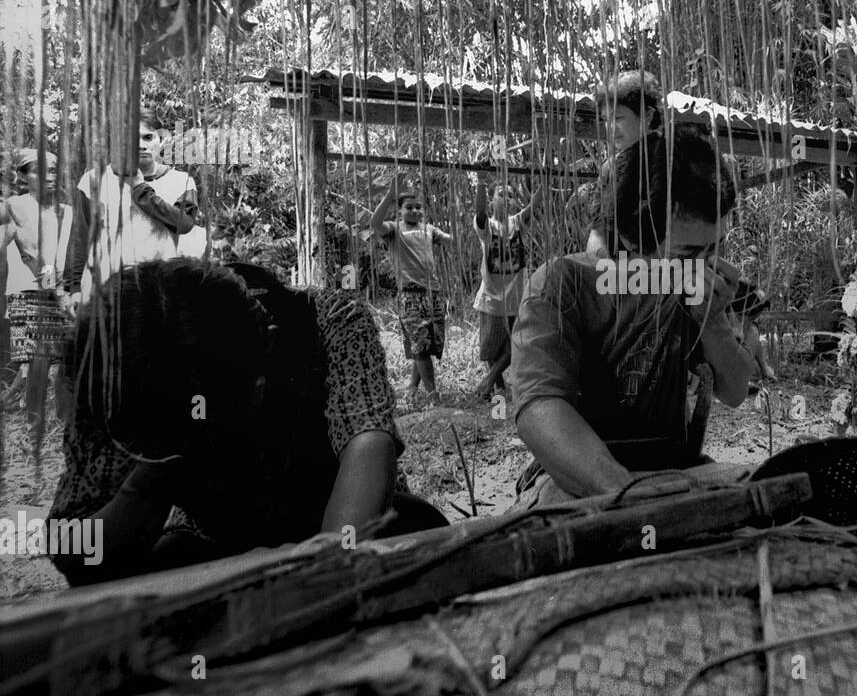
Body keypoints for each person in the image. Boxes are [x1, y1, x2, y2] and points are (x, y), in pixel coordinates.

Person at [46, 258, 449, 585]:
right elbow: (74, 551)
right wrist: (154, 475)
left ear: (267, 352)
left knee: (418, 530)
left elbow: (367, 447)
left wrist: (304, 572)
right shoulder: (112, 368)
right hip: (215, 541)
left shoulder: (330, 321)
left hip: (336, 516)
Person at [510, 129, 756, 508]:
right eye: (687, 252)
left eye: (714, 248)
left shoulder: (697, 290)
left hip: (676, 472)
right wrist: (624, 492)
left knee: (761, 488)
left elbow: (736, 391)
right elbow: (539, 407)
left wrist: (712, 319)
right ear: (629, 237)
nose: (705, 265)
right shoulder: (563, 284)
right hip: (576, 481)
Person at [63, 111, 199, 300]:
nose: (141, 145)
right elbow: (80, 237)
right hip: (104, 290)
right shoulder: (94, 180)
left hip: (159, 292)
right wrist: (74, 288)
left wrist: (140, 187)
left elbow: (183, 223)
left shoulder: (182, 181)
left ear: (160, 140)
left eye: (148, 137)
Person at [2, 148, 74, 419]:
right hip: (27, 291)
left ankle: (54, 417)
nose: (48, 176)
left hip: (59, 290)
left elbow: (66, 254)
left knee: (60, 357)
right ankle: (33, 420)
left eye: (53, 170)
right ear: (23, 177)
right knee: (36, 359)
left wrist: (63, 289)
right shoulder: (15, 206)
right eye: (38, 170)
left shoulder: (66, 212)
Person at [369, 176, 452, 405]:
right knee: (421, 344)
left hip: (433, 293)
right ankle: (434, 397)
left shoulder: (429, 230)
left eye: (418, 207)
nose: (415, 211)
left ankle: (412, 390)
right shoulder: (394, 230)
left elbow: (448, 240)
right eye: (409, 207)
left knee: (426, 344)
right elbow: (374, 223)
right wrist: (389, 195)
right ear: (400, 211)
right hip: (410, 295)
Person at [568, 69, 664, 256]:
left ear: (647, 115)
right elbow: (598, 234)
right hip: (618, 273)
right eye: (606, 120)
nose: (610, 128)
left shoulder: (675, 158)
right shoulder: (610, 168)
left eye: (618, 118)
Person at [471, 175, 542, 400]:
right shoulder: (487, 227)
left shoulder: (517, 223)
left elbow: (534, 206)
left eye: (511, 195)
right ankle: (499, 387)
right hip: (491, 299)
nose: (507, 199)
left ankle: (488, 381)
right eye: (501, 195)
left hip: (516, 299)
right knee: (491, 350)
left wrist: (545, 180)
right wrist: (481, 183)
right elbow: (480, 212)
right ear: (492, 201)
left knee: (515, 346)